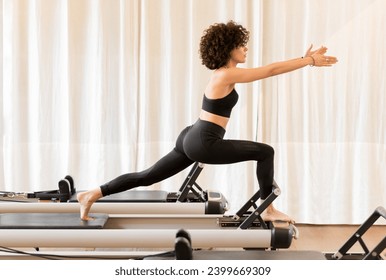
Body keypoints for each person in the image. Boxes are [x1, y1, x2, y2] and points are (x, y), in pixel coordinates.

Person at [77, 21, 337, 221]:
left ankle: (93, 193)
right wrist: (308, 61)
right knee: (266, 152)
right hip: (204, 141)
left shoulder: (222, 75)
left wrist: (305, 60)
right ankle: (268, 209)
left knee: (147, 176)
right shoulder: (225, 75)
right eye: (241, 44)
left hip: (192, 135)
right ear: (228, 48)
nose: (245, 48)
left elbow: (270, 69)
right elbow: (269, 71)